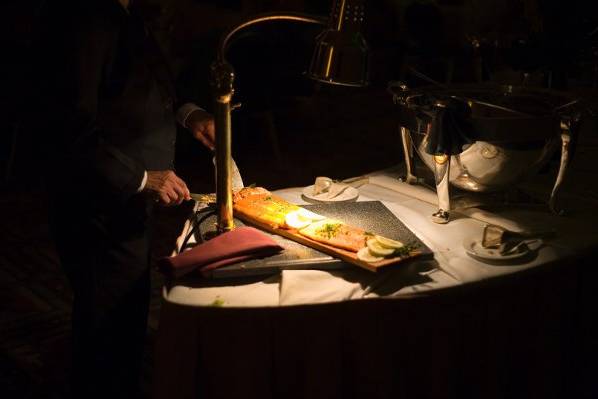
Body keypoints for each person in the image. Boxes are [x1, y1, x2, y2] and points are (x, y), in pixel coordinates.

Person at [31, 0, 215, 397]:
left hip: (126, 204)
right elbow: (69, 130)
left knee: (127, 317)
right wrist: (142, 178)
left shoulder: (128, 12)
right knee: (106, 328)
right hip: (97, 204)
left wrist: (190, 113)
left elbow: (141, 86)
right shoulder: (85, 21)